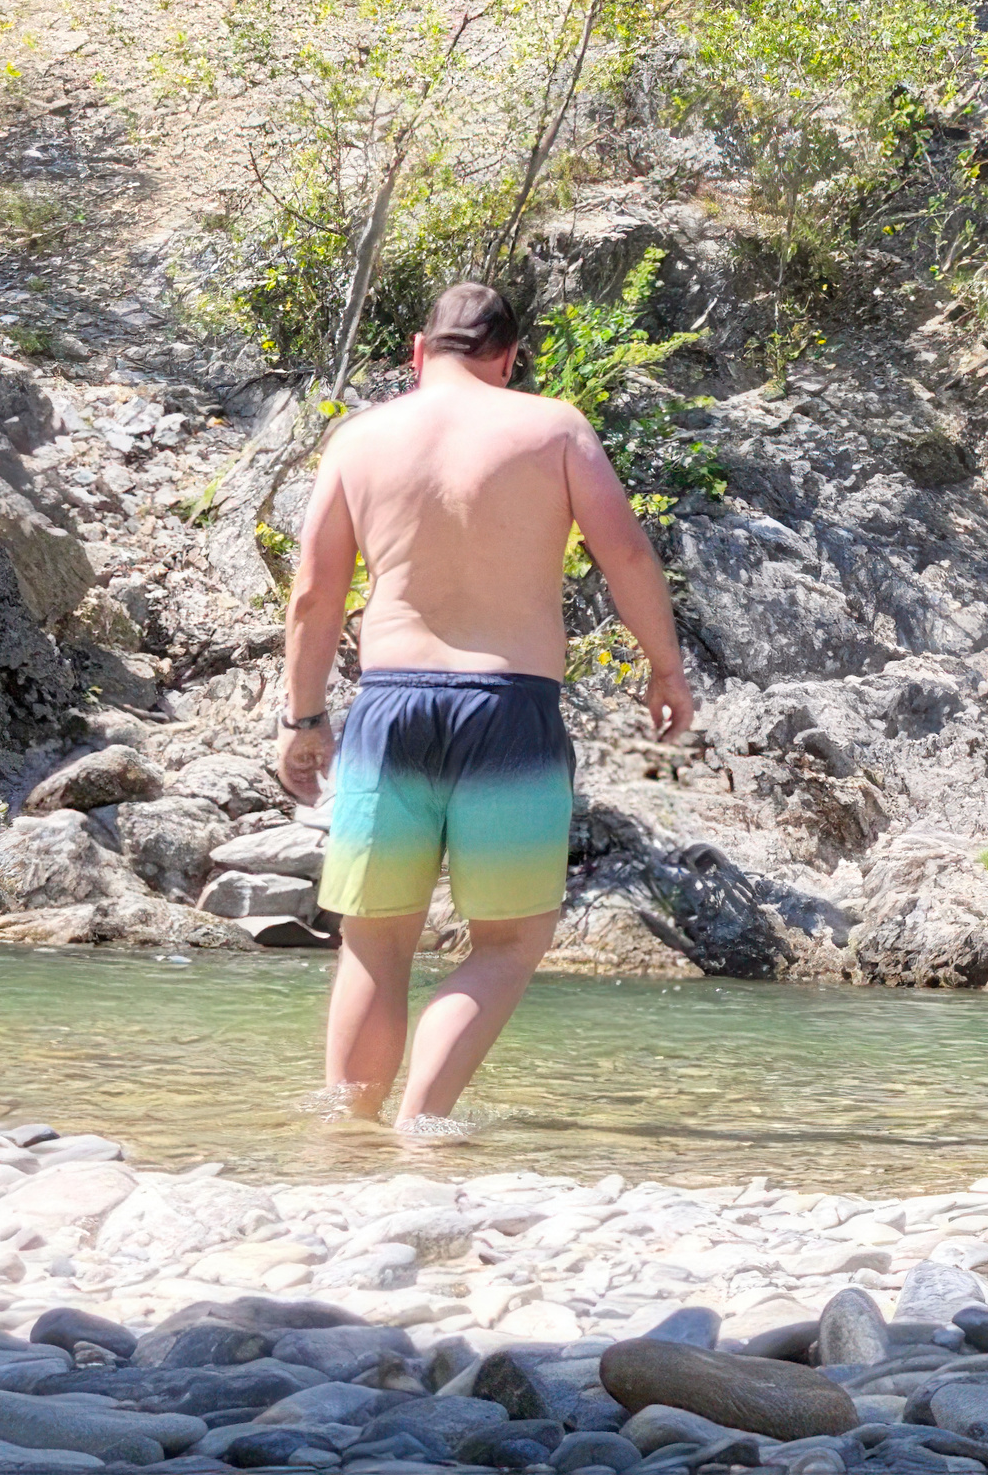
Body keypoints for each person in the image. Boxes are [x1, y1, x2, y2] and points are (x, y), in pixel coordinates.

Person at [274, 282, 694, 1131]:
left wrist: (303, 717)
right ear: (508, 360)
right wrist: (665, 669)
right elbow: (628, 558)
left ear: (418, 353)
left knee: (374, 937)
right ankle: (422, 1127)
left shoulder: (360, 439)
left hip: (391, 710)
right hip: (510, 711)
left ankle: (345, 1138)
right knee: (505, 943)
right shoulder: (553, 428)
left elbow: (315, 596)